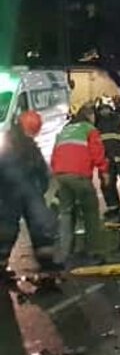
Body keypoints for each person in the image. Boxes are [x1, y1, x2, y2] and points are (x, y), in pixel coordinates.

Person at [0, 111, 60, 273]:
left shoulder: (10, 142)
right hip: (20, 193)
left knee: (8, 228)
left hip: (12, 193)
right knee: (38, 226)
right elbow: (42, 172)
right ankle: (47, 265)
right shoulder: (27, 147)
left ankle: (3, 263)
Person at [51, 104, 109, 265]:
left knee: (66, 214)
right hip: (79, 175)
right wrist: (104, 172)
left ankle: (64, 254)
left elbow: (55, 155)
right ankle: (93, 252)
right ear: (90, 115)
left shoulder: (64, 131)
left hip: (61, 175)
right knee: (90, 212)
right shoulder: (89, 129)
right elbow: (97, 152)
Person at [95, 96, 120, 217]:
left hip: (116, 158)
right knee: (111, 185)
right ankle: (119, 208)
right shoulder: (97, 123)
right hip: (113, 158)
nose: (104, 112)